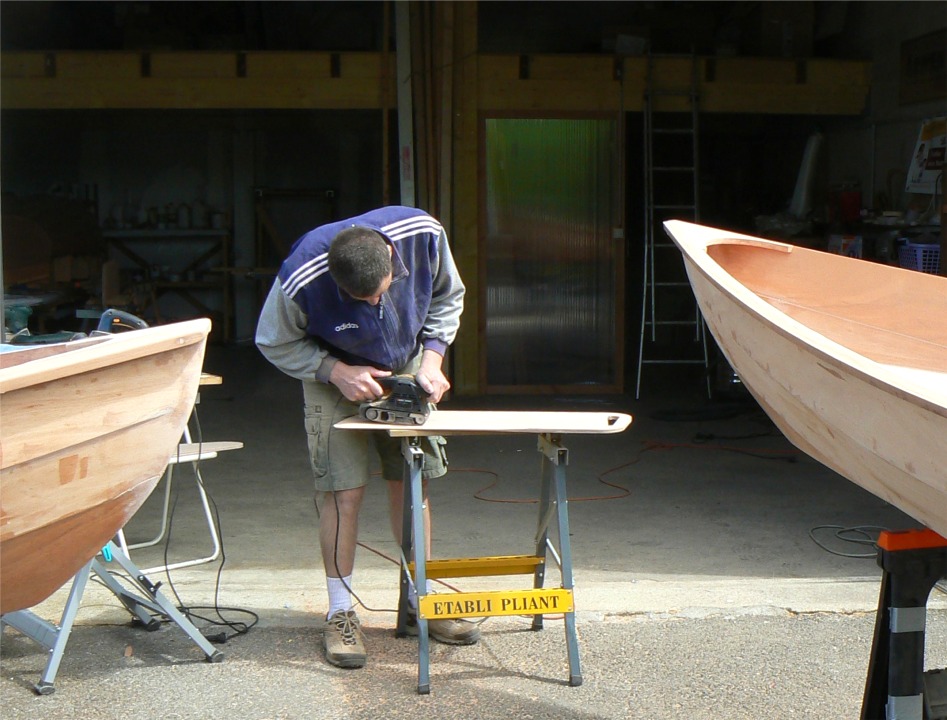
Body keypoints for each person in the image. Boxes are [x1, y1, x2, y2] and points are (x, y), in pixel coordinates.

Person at [255, 205, 478, 669]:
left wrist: (433, 358)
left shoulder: (423, 236)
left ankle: (422, 601)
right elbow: (273, 340)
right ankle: (340, 613)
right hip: (333, 374)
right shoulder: (300, 277)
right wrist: (335, 371)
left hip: (410, 362)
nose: (375, 306)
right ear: (336, 282)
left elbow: (447, 295)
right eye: (361, 301)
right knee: (342, 493)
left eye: (380, 296)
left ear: (394, 263)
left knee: (412, 482)